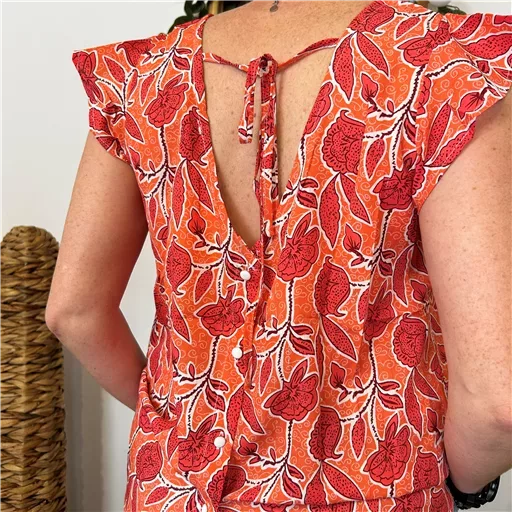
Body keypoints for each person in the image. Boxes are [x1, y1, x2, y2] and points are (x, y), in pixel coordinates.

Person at [47, 0, 512, 510]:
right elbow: (498, 400)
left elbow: (75, 312)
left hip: (173, 490)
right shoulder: (441, 66)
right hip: (373, 490)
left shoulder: (143, 77)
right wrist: (462, 485)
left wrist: (174, 434)